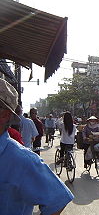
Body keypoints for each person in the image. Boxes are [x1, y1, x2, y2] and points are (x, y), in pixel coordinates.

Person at [0, 78, 74, 215]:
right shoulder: (61, 124)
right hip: (48, 141)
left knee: (64, 150)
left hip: (49, 142)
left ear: (4, 114)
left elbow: (57, 201)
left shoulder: (22, 160)